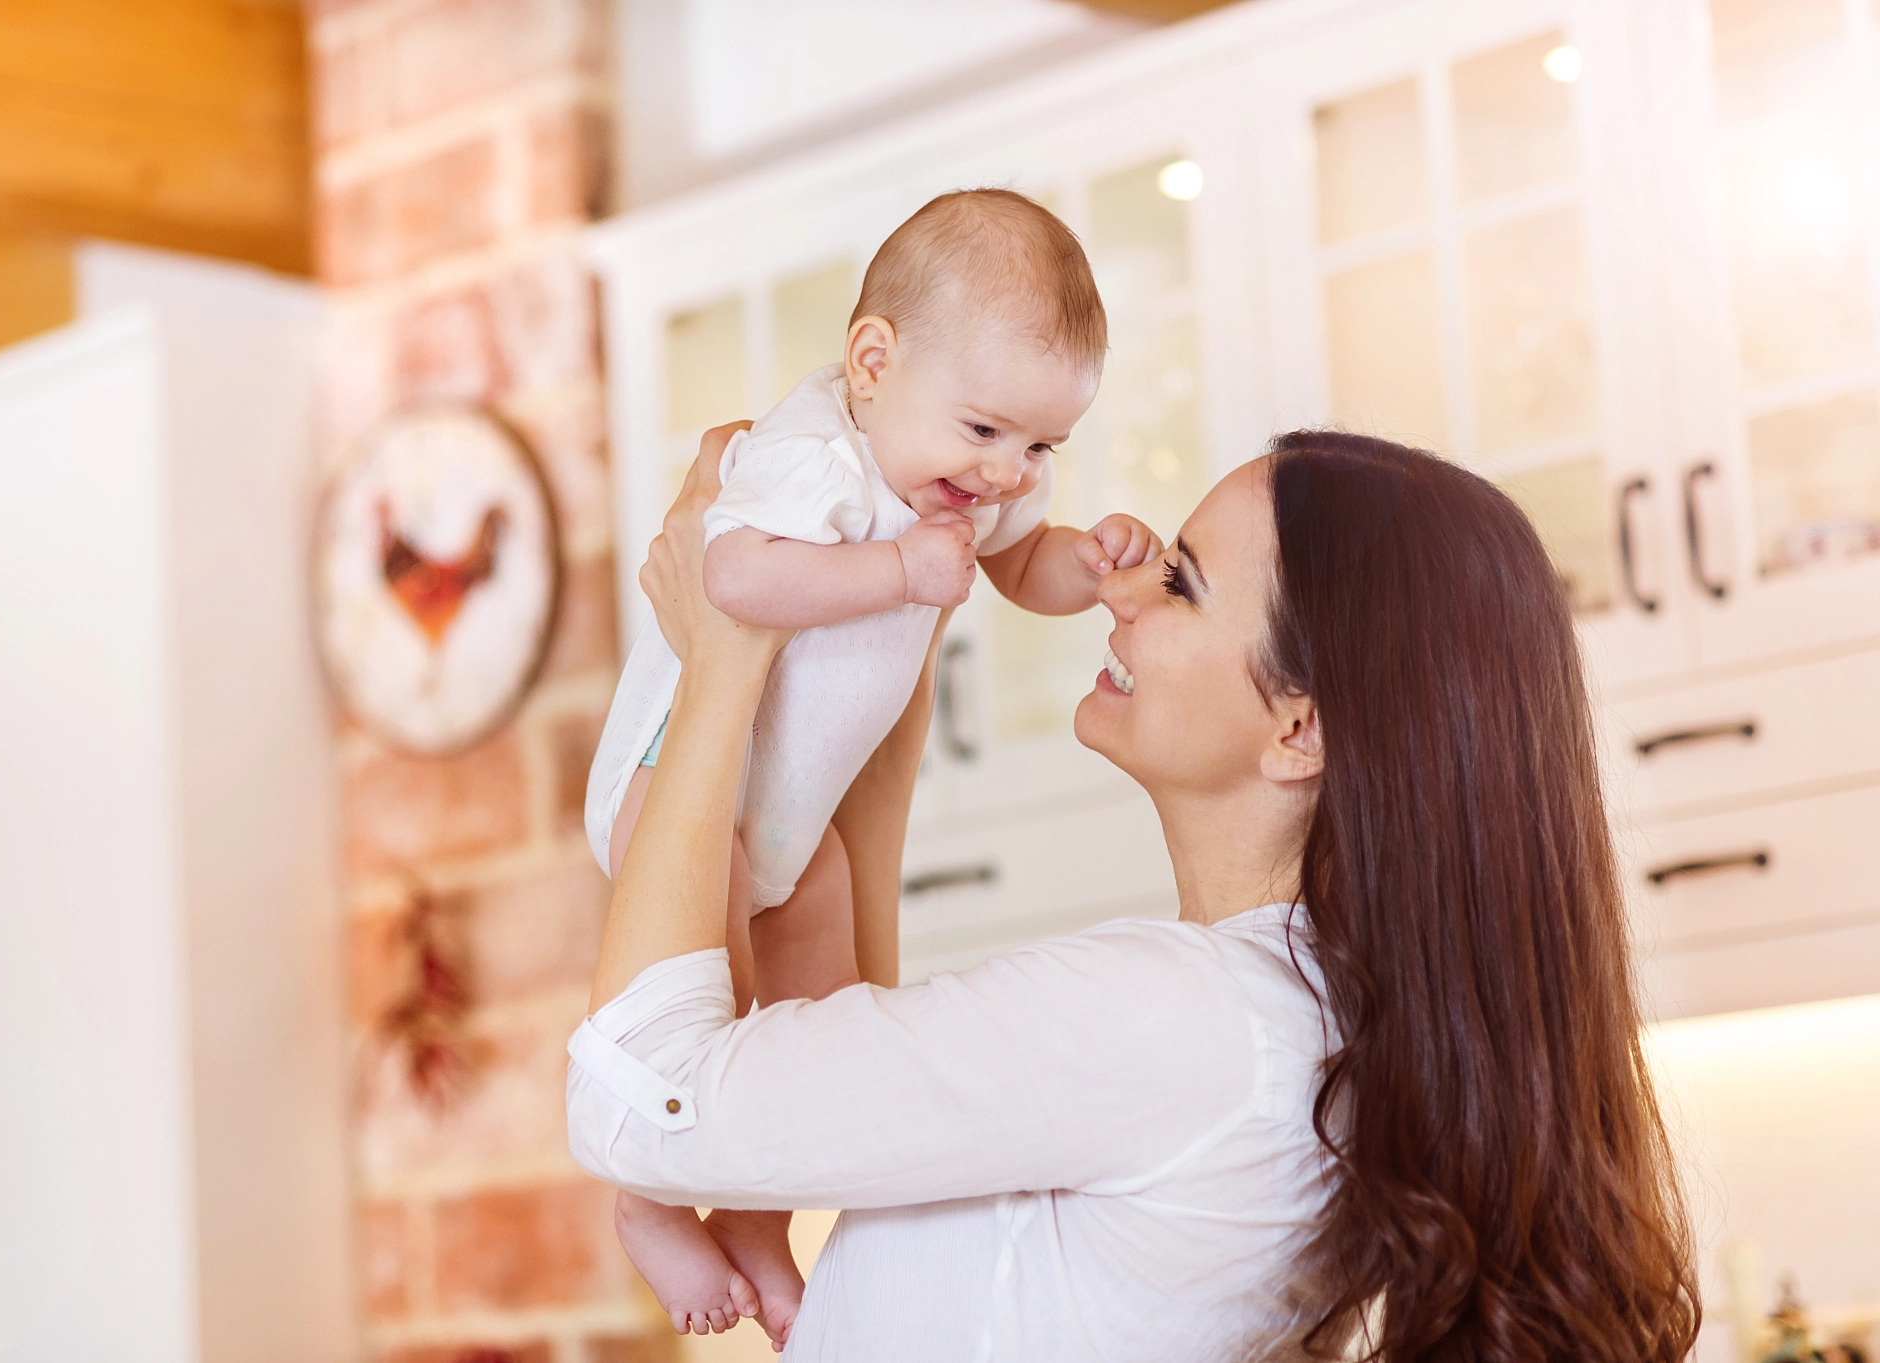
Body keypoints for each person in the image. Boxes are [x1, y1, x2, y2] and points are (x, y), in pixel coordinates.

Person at [567, 426, 1703, 1362]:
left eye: (1181, 583)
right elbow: (861, 1071)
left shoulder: (1183, 1022)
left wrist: (720, 656)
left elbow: (640, 1102)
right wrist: (883, 684)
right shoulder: (1309, 1028)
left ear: (1297, 726)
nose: (1121, 593)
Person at [583, 188, 1159, 1344]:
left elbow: (1017, 566)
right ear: (871, 361)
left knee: (820, 1021)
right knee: (713, 1013)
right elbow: (733, 580)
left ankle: (758, 1219)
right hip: (677, 786)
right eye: (986, 431)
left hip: (794, 819)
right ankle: (643, 1204)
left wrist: (1086, 567)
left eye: (1041, 444)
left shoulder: (961, 475)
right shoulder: (812, 455)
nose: (1005, 473)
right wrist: (897, 574)